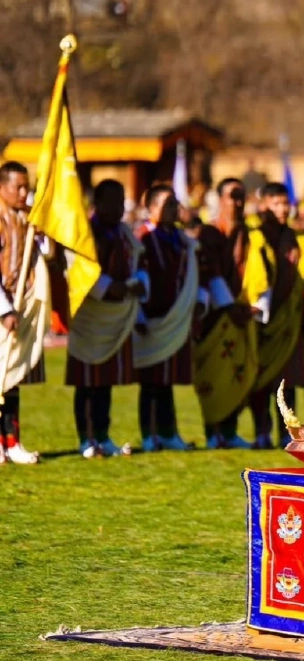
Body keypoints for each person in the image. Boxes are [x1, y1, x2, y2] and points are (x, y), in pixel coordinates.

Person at [66, 179, 147, 458]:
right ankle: (85, 439)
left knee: (105, 383)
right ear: (96, 204)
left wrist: (137, 282)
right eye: (112, 201)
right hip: (91, 317)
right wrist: (109, 286)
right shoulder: (86, 232)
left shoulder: (125, 232)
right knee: (87, 382)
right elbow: (78, 268)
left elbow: (139, 260)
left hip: (117, 316)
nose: (118, 208)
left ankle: (103, 435)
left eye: (122, 201)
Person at [194, 178, 268, 448]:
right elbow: (209, 271)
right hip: (215, 316)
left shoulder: (251, 235)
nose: (237, 202)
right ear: (219, 200)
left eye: (241, 196)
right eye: (231, 196)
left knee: (238, 375)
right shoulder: (210, 233)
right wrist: (229, 307)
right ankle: (212, 433)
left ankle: (230, 431)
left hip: (244, 314)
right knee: (213, 375)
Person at [133, 185, 200, 451]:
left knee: (167, 379)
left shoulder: (181, 239)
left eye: (175, 203)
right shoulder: (141, 238)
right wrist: (139, 313)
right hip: (152, 318)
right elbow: (136, 274)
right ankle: (150, 435)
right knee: (151, 380)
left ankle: (169, 432)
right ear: (150, 208)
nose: (173, 209)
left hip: (176, 317)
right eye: (167, 204)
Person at [247, 183, 304, 448]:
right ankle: (261, 431)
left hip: (288, 318)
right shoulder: (256, 236)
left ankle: (288, 431)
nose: (283, 209)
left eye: (286, 203)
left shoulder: (295, 237)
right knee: (260, 379)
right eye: (276, 203)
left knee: (288, 379)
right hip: (262, 318)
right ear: (264, 205)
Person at [0, 162, 50, 464]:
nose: (23, 193)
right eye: (17, 187)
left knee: (13, 377)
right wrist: (4, 310)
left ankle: (12, 441)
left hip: (23, 305)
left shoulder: (27, 220)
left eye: (26, 187)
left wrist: (44, 235)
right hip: (5, 306)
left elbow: (44, 260)